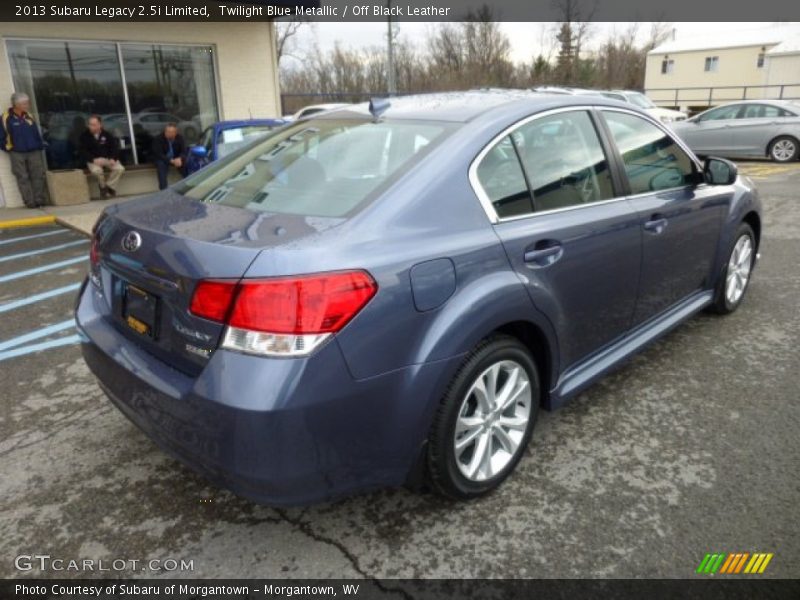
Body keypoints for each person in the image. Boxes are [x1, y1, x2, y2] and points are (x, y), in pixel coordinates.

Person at [0, 92, 48, 208]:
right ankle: (29, 202)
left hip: (33, 151)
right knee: (22, 177)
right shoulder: (6, 118)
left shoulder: (29, 116)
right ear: (17, 104)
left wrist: (39, 145)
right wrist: (8, 148)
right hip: (17, 152)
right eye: (25, 103)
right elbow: (1, 136)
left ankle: (39, 199)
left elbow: (36, 132)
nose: (27, 105)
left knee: (38, 175)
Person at [79, 114, 124, 198]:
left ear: (100, 125)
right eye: (90, 124)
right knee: (97, 171)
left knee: (119, 169)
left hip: (107, 159)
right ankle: (103, 187)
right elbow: (82, 151)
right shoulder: (84, 136)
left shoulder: (107, 135)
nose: (91, 127)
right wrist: (93, 160)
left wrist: (113, 158)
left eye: (93, 125)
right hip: (93, 160)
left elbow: (114, 147)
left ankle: (108, 187)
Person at [151, 123, 186, 190]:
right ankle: (164, 190)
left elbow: (184, 151)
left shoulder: (179, 138)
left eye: (170, 132)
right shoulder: (158, 138)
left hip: (175, 158)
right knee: (161, 165)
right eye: (166, 131)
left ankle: (190, 185)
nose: (167, 133)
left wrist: (180, 158)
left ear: (175, 133)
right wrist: (170, 160)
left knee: (186, 163)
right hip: (163, 159)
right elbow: (158, 154)